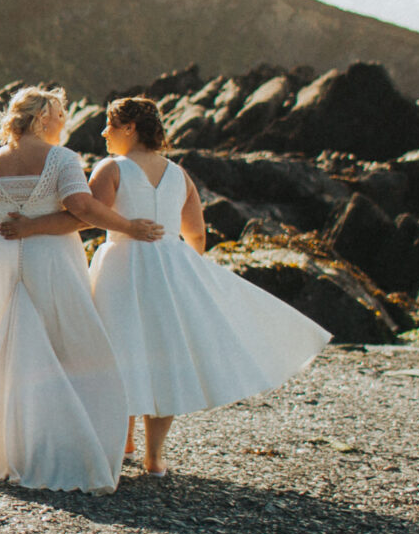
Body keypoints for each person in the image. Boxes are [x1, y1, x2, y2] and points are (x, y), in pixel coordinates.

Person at [0, 85, 167, 493]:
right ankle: (58, 449)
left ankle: (1, 451)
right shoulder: (62, 159)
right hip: (51, 261)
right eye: (60, 114)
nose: (65, 120)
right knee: (70, 350)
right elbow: (83, 208)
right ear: (41, 119)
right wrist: (130, 227)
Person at [83, 95, 333, 473]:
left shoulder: (111, 168)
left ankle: (123, 443)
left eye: (110, 124)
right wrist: (183, 268)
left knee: (120, 347)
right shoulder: (178, 174)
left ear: (130, 128)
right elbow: (197, 234)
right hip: (169, 265)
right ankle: (154, 457)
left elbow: (90, 215)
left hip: (122, 263)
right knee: (162, 354)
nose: (104, 132)